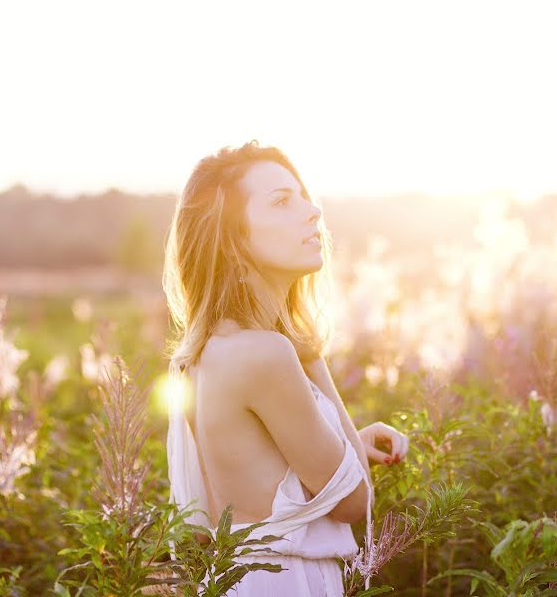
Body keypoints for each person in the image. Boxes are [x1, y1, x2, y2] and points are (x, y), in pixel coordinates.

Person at [162, 140, 410, 596]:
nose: (312, 211)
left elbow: (252, 498)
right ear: (233, 240)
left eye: (303, 196)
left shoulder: (209, 352)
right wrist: (310, 354)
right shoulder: (268, 354)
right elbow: (354, 501)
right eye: (281, 201)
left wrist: (351, 439)